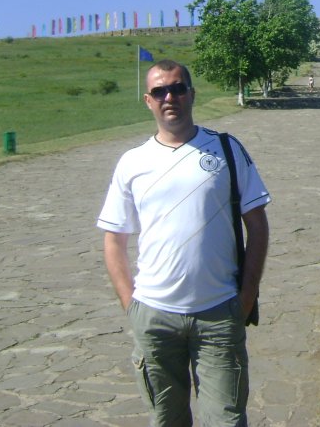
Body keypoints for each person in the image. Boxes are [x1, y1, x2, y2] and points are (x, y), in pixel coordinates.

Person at [97, 59, 270, 427]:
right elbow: (114, 239)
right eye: (159, 91)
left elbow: (257, 226)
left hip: (219, 313)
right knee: (167, 420)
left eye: (177, 88)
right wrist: (132, 306)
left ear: (192, 94)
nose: (169, 97)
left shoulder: (225, 150)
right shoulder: (132, 162)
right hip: (154, 317)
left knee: (226, 420)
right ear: (148, 100)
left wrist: (246, 297)